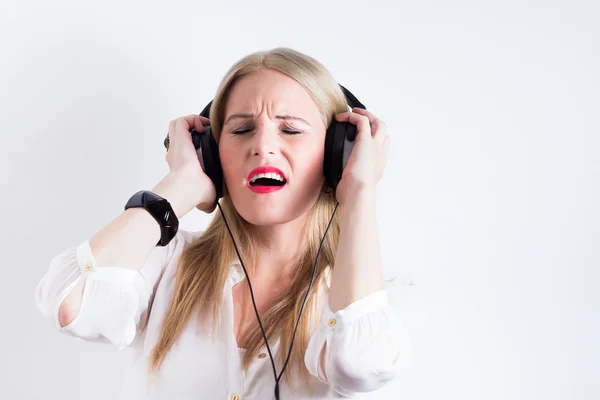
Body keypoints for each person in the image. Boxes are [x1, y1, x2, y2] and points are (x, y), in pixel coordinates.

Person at [35, 47, 412, 399]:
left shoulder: (368, 297)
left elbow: (360, 364)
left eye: (291, 129)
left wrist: (361, 189)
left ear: (338, 154)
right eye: (241, 129)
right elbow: (70, 301)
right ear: (212, 155)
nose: (262, 146)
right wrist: (180, 186)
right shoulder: (165, 262)